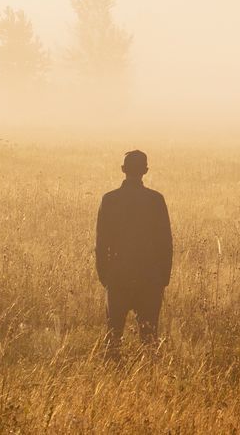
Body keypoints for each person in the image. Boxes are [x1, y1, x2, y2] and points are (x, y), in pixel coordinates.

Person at [95, 150, 173, 355]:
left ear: (123, 170)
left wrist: (105, 276)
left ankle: (112, 377)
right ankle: (149, 378)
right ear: (145, 171)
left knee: (113, 336)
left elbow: (101, 243)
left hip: (118, 275)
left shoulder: (110, 200)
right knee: (149, 338)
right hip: (149, 277)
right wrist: (163, 278)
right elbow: (166, 242)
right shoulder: (156, 200)